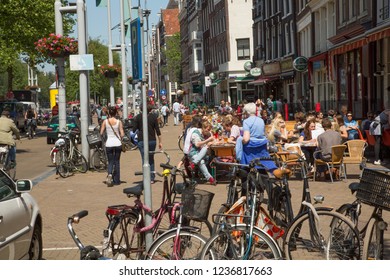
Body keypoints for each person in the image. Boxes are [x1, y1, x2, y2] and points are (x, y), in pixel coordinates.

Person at [235, 102, 277, 171]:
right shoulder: (261, 120)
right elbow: (263, 133)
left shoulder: (246, 121)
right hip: (262, 145)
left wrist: (240, 142)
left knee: (240, 144)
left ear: (247, 112)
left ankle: (243, 166)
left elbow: (246, 139)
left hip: (251, 147)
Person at [133, 103, 162, 184]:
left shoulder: (138, 117)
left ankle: (146, 177)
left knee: (144, 159)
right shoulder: (153, 117)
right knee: (151, 159)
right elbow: (157, 130)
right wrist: (160, 142)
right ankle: (152, 178)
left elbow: (134, 129)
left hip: (142, 140)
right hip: (152, 140)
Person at [100, 107, 124, 186]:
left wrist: (105, 137)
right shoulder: (118, 122)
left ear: (109, 113)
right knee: (117, 161)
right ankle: (117, 180)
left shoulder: (105, 121)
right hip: (117, 144)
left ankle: (110, 174)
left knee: (110, 161)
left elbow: (101, 132)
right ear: (116, 113)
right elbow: (122, 133)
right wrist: (121, 137)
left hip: (109, 143)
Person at [187, 121, 216, 185]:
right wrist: (208, 141)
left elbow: (214, 139)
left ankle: (193, 164)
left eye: (209, 130)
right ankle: (210, 178)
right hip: (193, 153)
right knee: (201, 161)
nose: (208, 131)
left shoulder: (208, 133)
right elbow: (197, 145)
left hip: (203, 155)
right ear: (203, 128)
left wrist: (212, 139)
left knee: (205, 149)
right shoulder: (196, 133)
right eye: (207, 129)